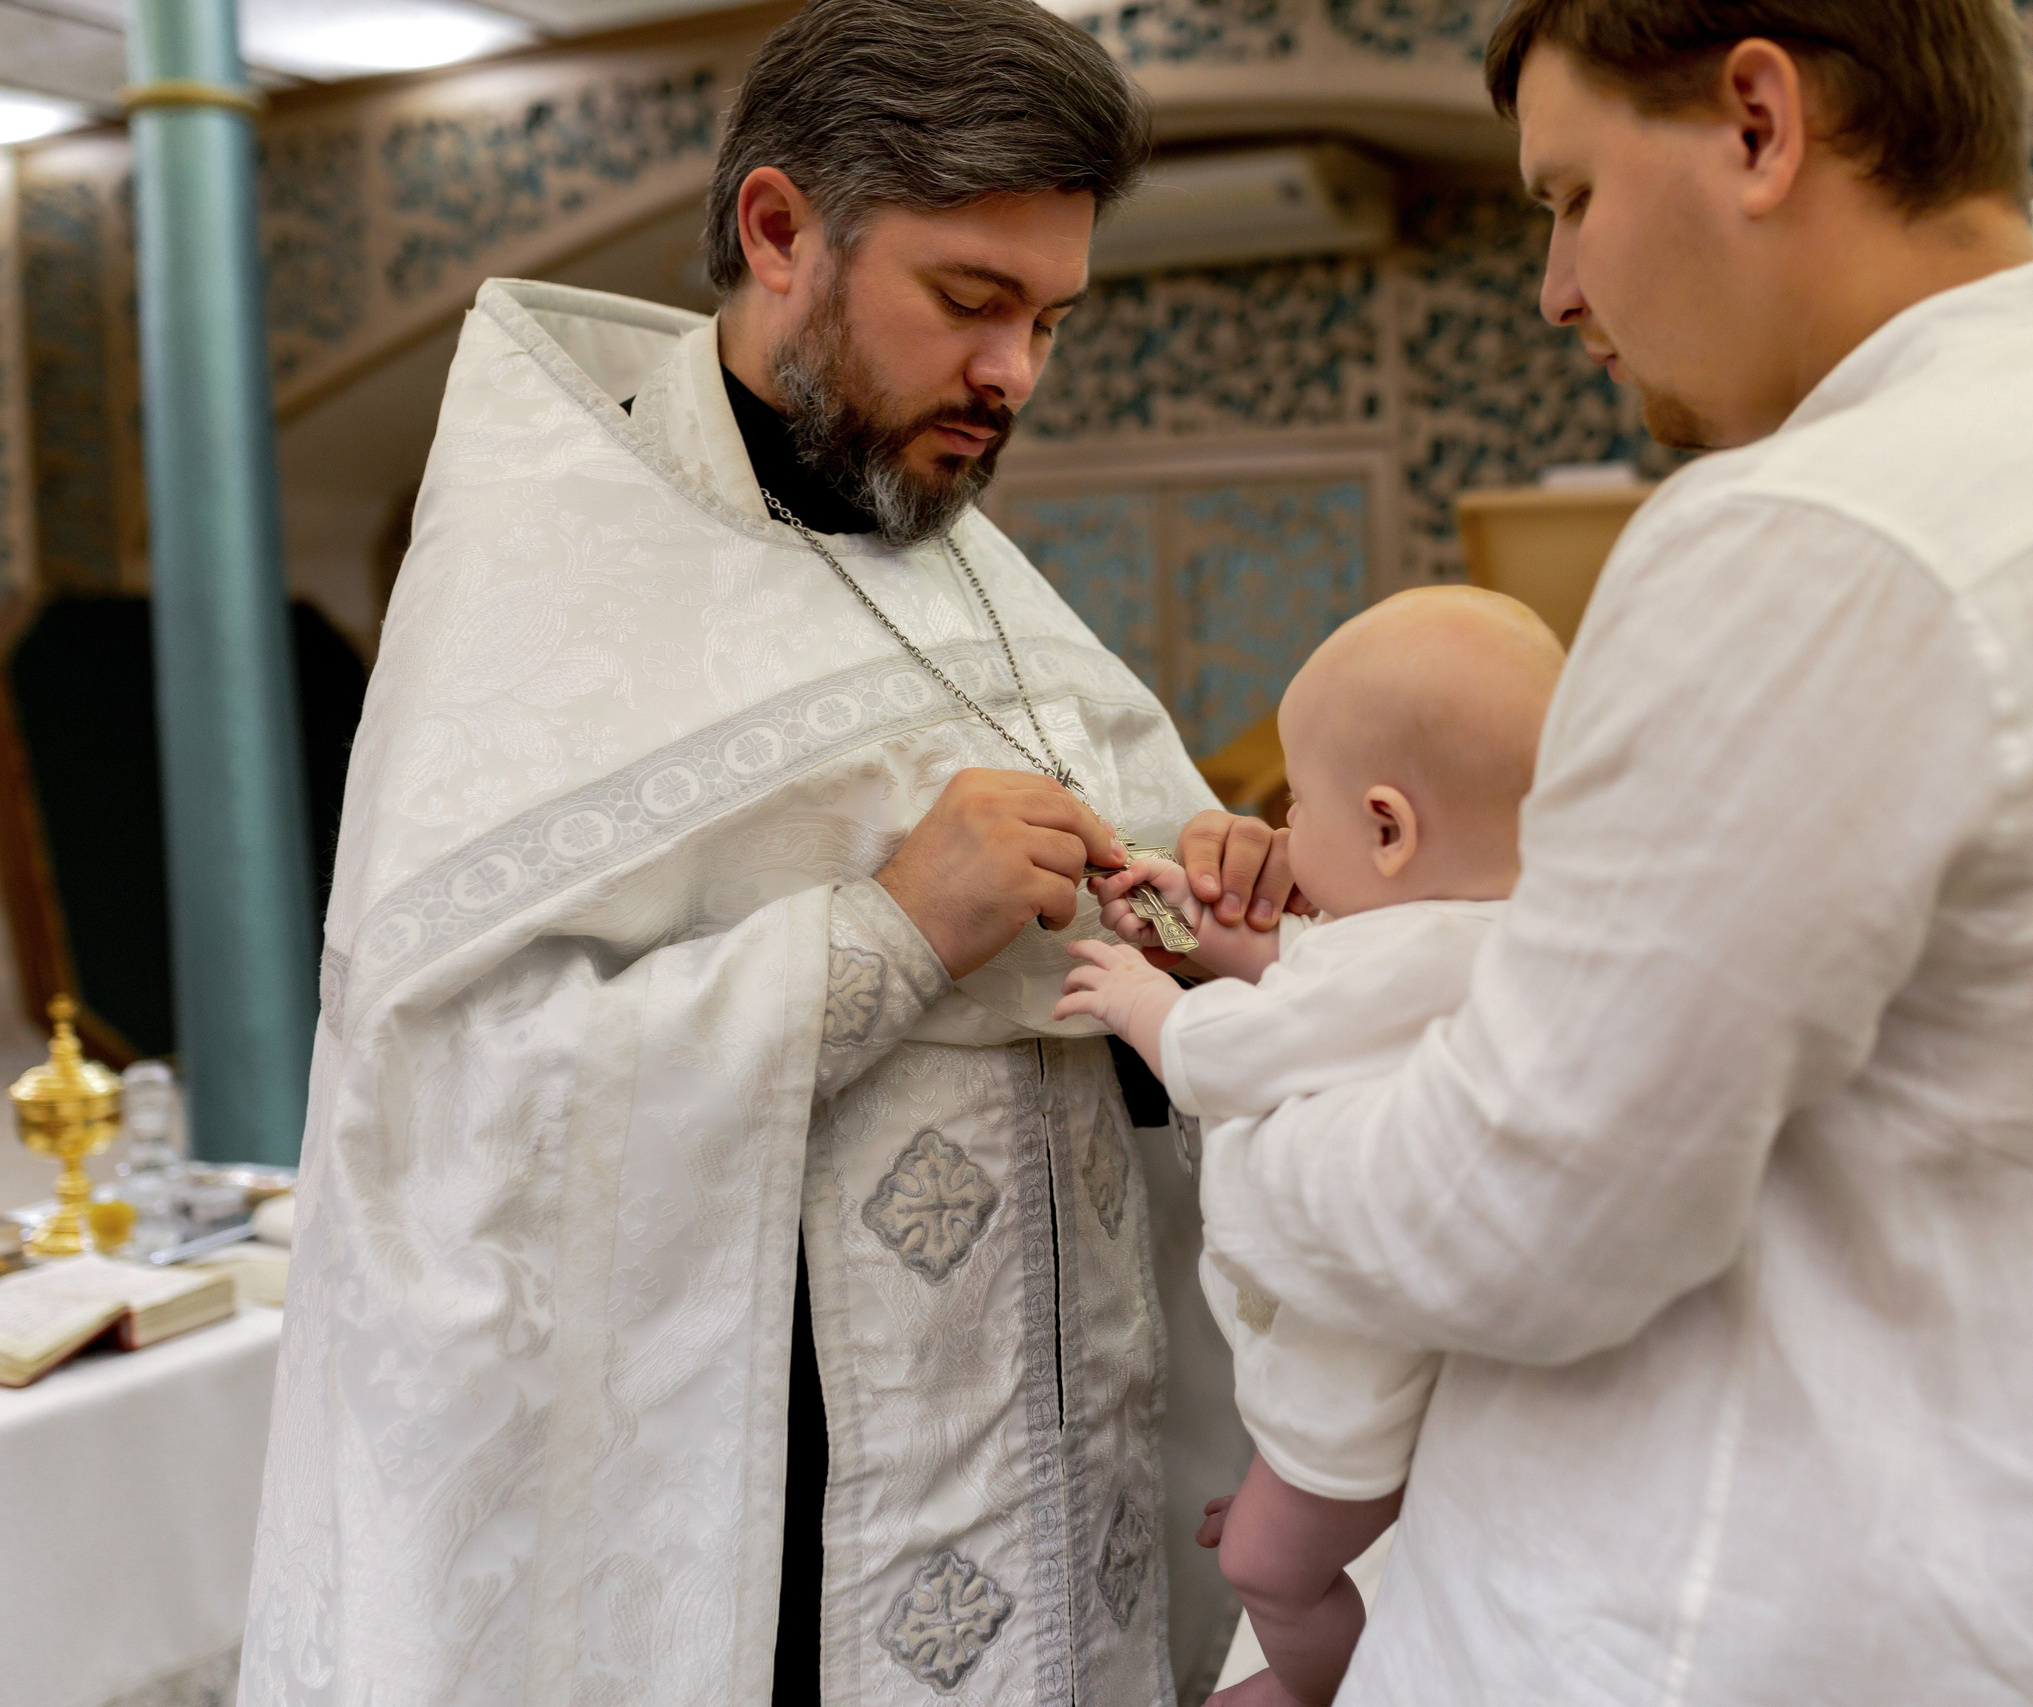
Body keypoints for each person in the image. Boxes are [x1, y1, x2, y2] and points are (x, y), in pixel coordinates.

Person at [1197, 1, 2033, 1700]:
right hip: (2017, 1584)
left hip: (1747, 1616)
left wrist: (1254, 1122)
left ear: (1759, 122)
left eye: (1568, 196)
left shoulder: (1820, 521)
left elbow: (1523, 1207)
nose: (1557, 288)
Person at [238, 2, 1285, 1700]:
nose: (1015, 373)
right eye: (970, 301)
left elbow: (1132, 947)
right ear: (781, 228)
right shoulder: (551, 569)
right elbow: (443, 1108)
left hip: (1047, 1472)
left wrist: (1194, 920)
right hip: (771, 1539)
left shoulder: (958, 564)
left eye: (1048, 318)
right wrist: (883, 932)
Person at [1059, 588, 1565, 1707]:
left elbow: (1241, 1053)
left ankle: (1320, 1684)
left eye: (1301, 808)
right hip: (1432, 1366)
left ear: (1387, 827)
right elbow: (1316, 979)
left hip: (1355, 1381)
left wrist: (1144, 995)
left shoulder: (1395, 960)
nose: (1282, 838)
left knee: (1261, 1567)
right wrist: (1190, 922)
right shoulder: (1501, 928)